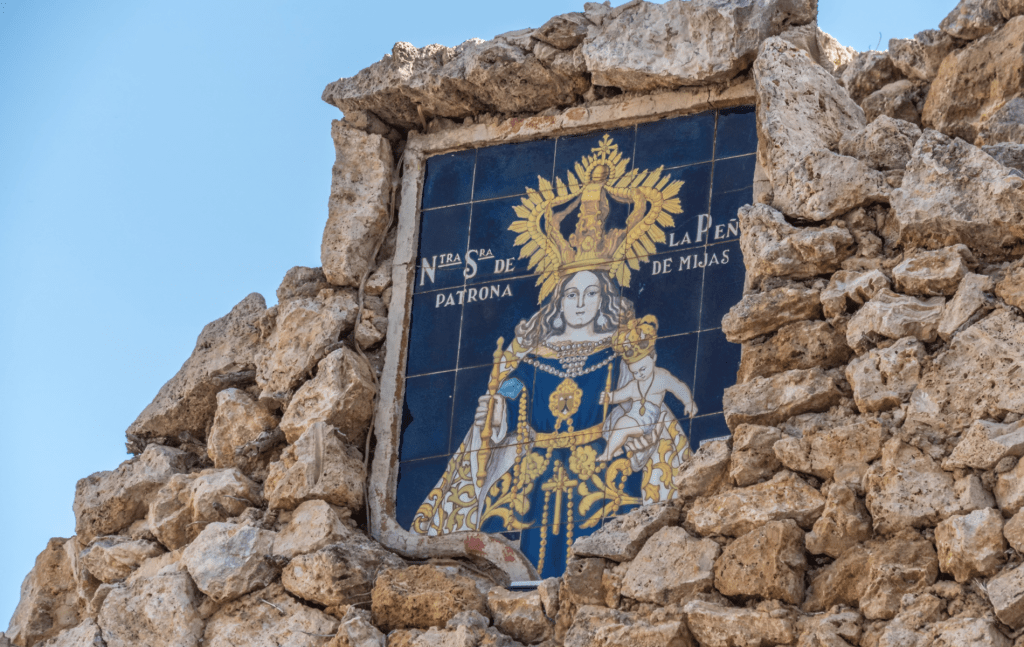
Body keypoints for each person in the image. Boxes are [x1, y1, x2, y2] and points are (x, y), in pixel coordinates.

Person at [596, 316, 697, 463]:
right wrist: (609, 397)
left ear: (653, 357)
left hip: (647, 419)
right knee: (619, 425)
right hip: (633, 416)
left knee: (622, 427)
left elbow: (678, 386)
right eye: (635, 372)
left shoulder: (661, 377)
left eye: (642, 369)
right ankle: (611, 451)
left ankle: (609, 452)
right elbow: (620, 395)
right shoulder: (634, 384)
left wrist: (688, 402)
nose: (639, 374)